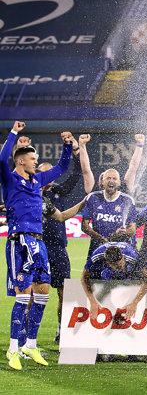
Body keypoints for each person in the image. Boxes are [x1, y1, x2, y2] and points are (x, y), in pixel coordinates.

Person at [1, 121, 73, 369]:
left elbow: (62, 167)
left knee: (42, 295)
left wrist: (67, 146)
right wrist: (13, 134)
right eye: (33, 159)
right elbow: (1, 160)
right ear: (21, 161)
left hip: (39, 244)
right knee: (23, 297)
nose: (36, 162)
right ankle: (13, 349)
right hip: (19, 242)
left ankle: (30, 345)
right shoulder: (10, 180)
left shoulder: (38, 180)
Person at [38, 133, 94, 343]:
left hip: (58, 248)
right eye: (44, 173)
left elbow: (78, 172)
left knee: (64, 292)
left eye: (50, 173)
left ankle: (62, 331)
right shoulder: (33, 193)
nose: (49, 177)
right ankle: (26, 336)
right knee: (34, 291)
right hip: (38, 247)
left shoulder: (58, 191)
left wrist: (76, 149)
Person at [81, 243, 147, 321]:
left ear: (123, 258)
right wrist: (92, 301)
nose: (121, 267)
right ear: (108, 263)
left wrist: (134, 303)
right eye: (117, 266)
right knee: (102, 278)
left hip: (130, 267)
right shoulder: (96, 258)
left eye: (122, 263)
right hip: (108, 272)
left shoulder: (132, 257)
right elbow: (84, 277)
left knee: (137, 277)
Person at [81, 168, 138, 260]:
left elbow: (132, 230)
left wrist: (124, 232)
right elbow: (84, 226)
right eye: (108, 178)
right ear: (102, 182)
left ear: (119, 182)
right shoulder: (93, 198)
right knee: (89, 269)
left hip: (121, 251)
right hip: (98, 248)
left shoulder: (127, 200)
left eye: (114, 178)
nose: (111, 181)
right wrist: (101, 238)